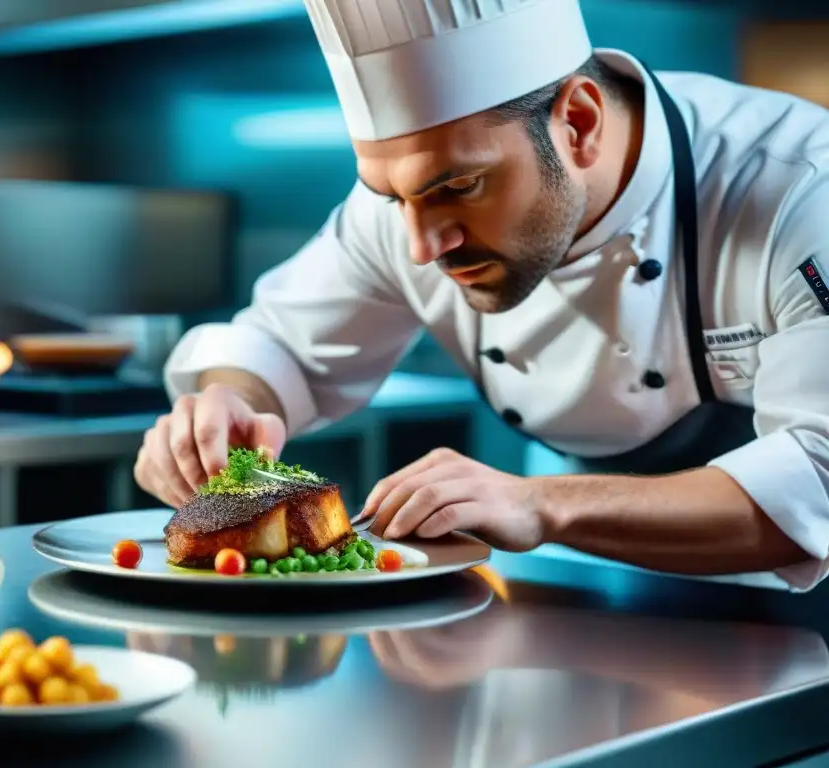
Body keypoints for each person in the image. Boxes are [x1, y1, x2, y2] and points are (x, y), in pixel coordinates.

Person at [134, 0, 829, 591]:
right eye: (392, 195)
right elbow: (277, 346)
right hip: (570, 588)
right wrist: (228, 407)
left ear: (579, 124)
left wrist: (541, 504)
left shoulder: (800, 189)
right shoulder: (411, 200)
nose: (420, 246)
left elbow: (816, 480)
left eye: (460, 187)